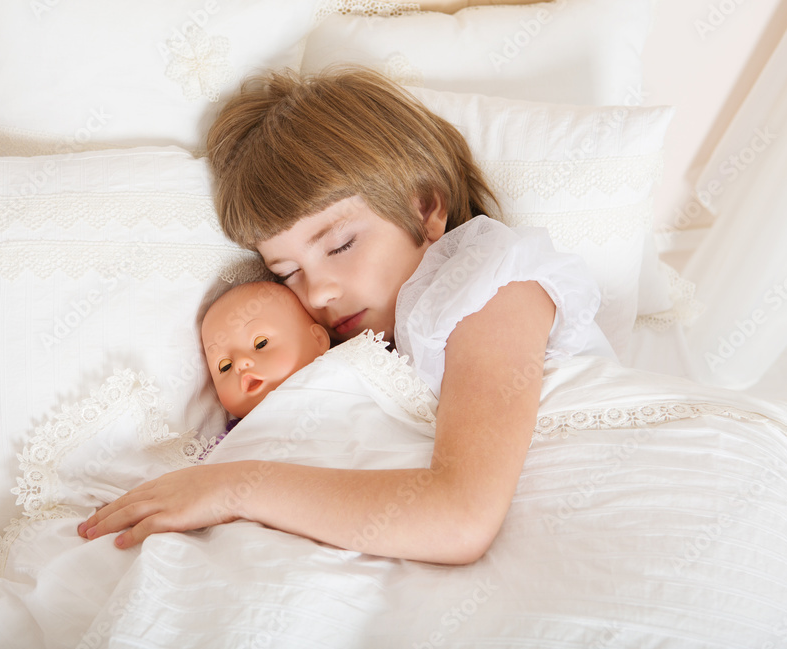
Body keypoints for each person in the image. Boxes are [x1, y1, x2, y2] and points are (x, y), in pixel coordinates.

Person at [78, 66, 614, 564]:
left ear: (426, 208)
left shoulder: (491, 288)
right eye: (288, 272)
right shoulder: (357, 348)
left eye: (338, 245)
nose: (319, 291)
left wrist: (230, 487)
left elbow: (460, 519)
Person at [201, 280, 330, 420]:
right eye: (225, 366)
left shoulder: (344, 382)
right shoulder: (233, 439)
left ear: (318, 339)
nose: (239, 363)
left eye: (261, 344)